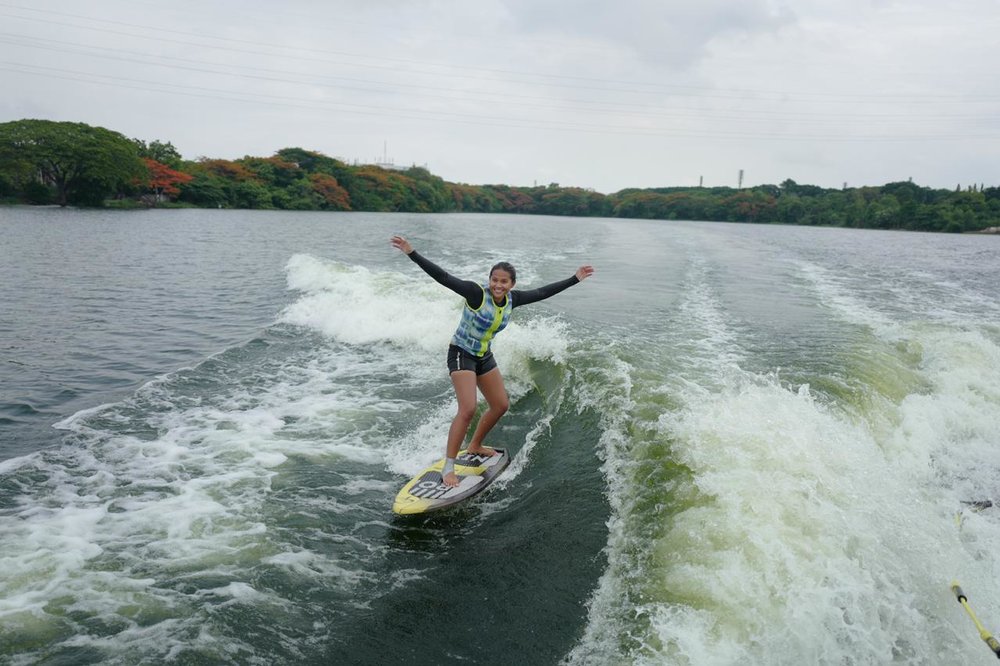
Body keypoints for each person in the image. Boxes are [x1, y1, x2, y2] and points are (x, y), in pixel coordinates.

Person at [391, 235, 594, 487]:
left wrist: (574, 279)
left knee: (500, 405)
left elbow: (542, 292)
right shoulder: (476, 294)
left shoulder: (513, 299)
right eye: (494, 280)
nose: (498, 285)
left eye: (504, 281)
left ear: (512, 284)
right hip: (461, 353)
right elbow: (443, 277)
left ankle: (475, 444)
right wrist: (412, 253)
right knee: (467, 409)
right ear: (489, 280)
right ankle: (449, 467)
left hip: (483, 356)